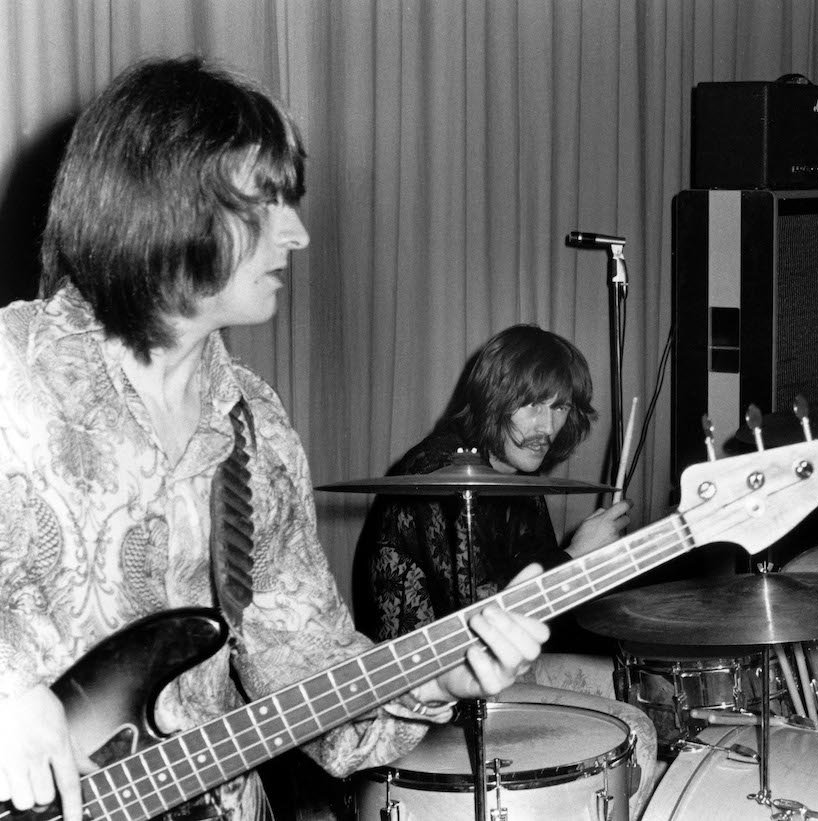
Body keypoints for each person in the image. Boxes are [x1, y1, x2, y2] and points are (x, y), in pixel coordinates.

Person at [0, 56, 547, 821]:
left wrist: (446, 672)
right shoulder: (12, 377)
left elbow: (308, 674)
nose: (297, 233)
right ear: (168, 203)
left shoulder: (253, 425)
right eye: (267, 203)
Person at [355, 323, 632, 645]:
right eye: (533, 404)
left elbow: (544, 608)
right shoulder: (435, 472)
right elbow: (483, 617)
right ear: (492, 399)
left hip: (500, 667)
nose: (548, 426)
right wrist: (577, 553)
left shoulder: (519, 472)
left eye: (560, 406)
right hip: (423, 684)